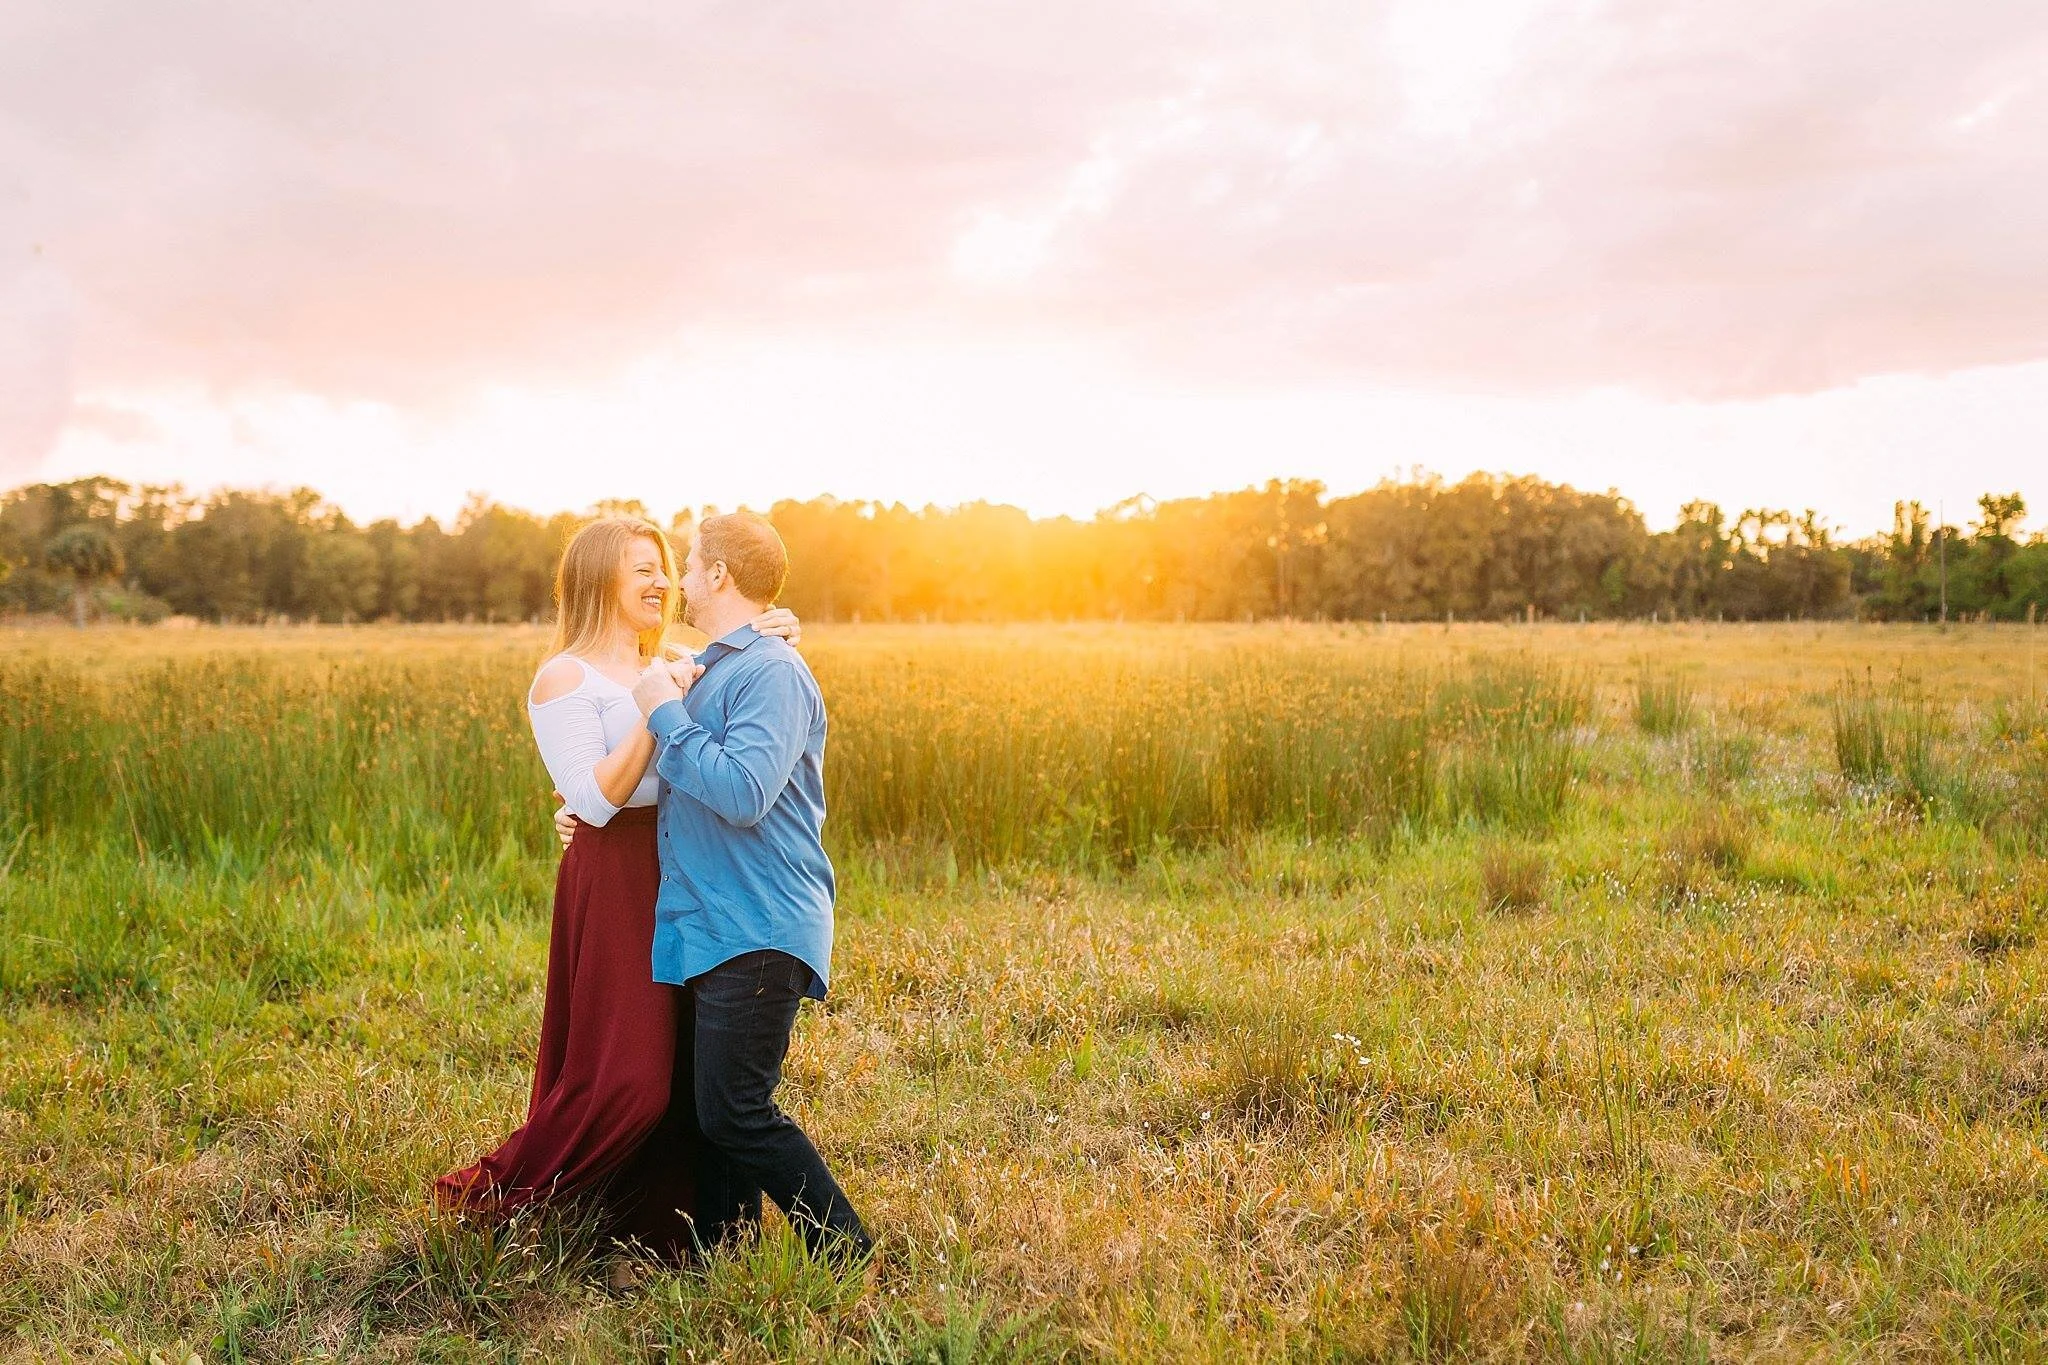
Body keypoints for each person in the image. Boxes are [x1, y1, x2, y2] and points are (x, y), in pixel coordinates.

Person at [436, 516, 799, 1262]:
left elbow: (732, 715)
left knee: (684, 1069)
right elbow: (595, 801)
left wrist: (774, 628)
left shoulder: (670, 658)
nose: (662, 581)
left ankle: (657, 1228)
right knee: (627, 1076)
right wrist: (653, 705)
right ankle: (490, 1195)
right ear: (601, 576)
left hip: (683, 871)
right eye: (642, 568)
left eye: (666, 566)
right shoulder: (563, 676)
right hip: (615, 880)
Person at [556, 510, 871, 1263]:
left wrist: (663, 711)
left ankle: (847, 1248)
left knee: (736, 1111)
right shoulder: (726, 663)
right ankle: (721, 1253)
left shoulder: (771, 671)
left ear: (721, 575)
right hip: (712, 925)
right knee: (709, 1111)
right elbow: (666, 779)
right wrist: (579, 807)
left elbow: (741, 791)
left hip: (759, 923)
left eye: (690, 565)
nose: (679, 580)